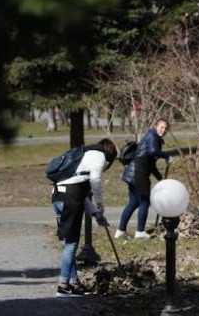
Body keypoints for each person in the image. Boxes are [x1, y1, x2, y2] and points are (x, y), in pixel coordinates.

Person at [52, 139, 117, 297]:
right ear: (110, 154)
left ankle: (73, 283)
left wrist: (96, 214)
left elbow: (82, 196)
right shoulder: (100, 157)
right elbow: (95, 181)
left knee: (70, 243)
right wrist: (101, 205)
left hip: (58, 196)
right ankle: (63, 286)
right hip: (70, 199)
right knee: (72, 244)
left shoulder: (85, 156)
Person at [117, 119, 169, 239]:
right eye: (161, 127)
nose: (163, 130)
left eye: (165, 128)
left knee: (134, 202)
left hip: (133, 172)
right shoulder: (153, 136)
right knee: (145, 202)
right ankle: (140, 232)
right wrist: (166, 155)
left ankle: (120, 231)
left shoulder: (154, 137)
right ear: (156, 126)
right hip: (139, 172)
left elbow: (151, 163)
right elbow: (153, 152)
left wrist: (160, 178)